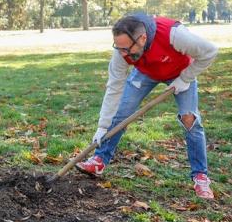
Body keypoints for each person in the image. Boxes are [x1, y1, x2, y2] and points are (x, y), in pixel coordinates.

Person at [75, 13, 219, 199]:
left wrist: (185, 79)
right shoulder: (122, 50)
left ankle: (200, 176)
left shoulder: (174, 34)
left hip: (180, 72)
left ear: (142, 38)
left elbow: (210, 51)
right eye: (118, 48)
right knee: (121, 113)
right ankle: (99, 159)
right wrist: (103, 126)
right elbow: (114, 87)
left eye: (126, 49)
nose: (122, 54)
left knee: (189, 119)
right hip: (145, 73)